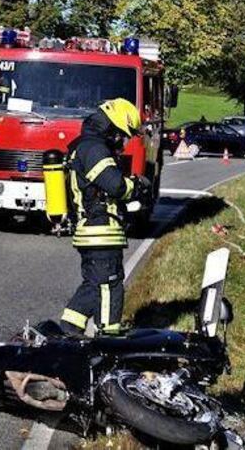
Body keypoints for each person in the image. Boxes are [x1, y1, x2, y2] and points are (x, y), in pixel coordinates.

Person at [59, 98, 151, 336]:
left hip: (90, 231)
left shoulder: (84, 145)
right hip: (101, 231)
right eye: (122, 135)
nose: (123, 142)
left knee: (94, 285)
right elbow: (115, 185)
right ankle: (108, 341)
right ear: (112, 127)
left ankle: (69, 331)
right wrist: (136, 186)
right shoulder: (95, 149)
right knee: (110, 286)